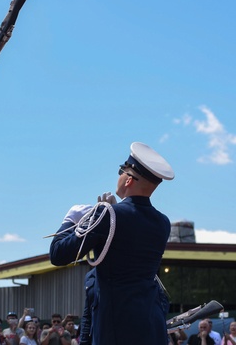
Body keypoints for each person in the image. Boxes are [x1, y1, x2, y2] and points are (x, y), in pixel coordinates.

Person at [50, 142, 174, 345]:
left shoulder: (108, 215)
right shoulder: (162, 222)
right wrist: (111, 214)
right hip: (151, 327)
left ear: (129, 179)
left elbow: (58, 254)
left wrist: (71, 220)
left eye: (121, 171)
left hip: (115, 328)